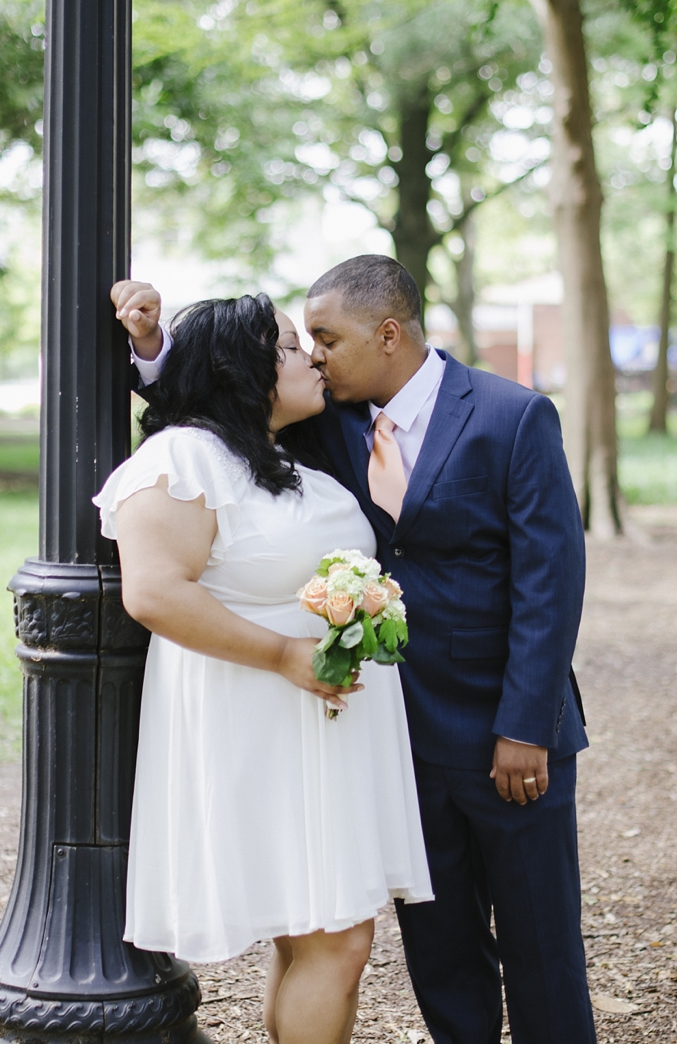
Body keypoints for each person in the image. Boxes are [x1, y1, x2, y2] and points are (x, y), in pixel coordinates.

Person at [113, 255, 596, 1044]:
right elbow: (216, 402)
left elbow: (552, 581)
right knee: (440, 951)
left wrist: (526, 724)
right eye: (302, 343)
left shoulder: (514, 415)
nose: (316, 355)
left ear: (389, 332)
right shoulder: (325, 423)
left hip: (508, 730)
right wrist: (154, 346)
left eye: (326, 339)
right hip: (398, 736)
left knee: (542, 943)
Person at [93, 292, 433, 1044]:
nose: (310, 354)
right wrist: (286, 653)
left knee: (313, 930)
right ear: (239, 368)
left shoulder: (283, 454)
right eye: (287, 345)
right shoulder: (182, 457)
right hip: (255, 721)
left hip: (320, 728)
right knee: (339, 940)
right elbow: (154, 591)